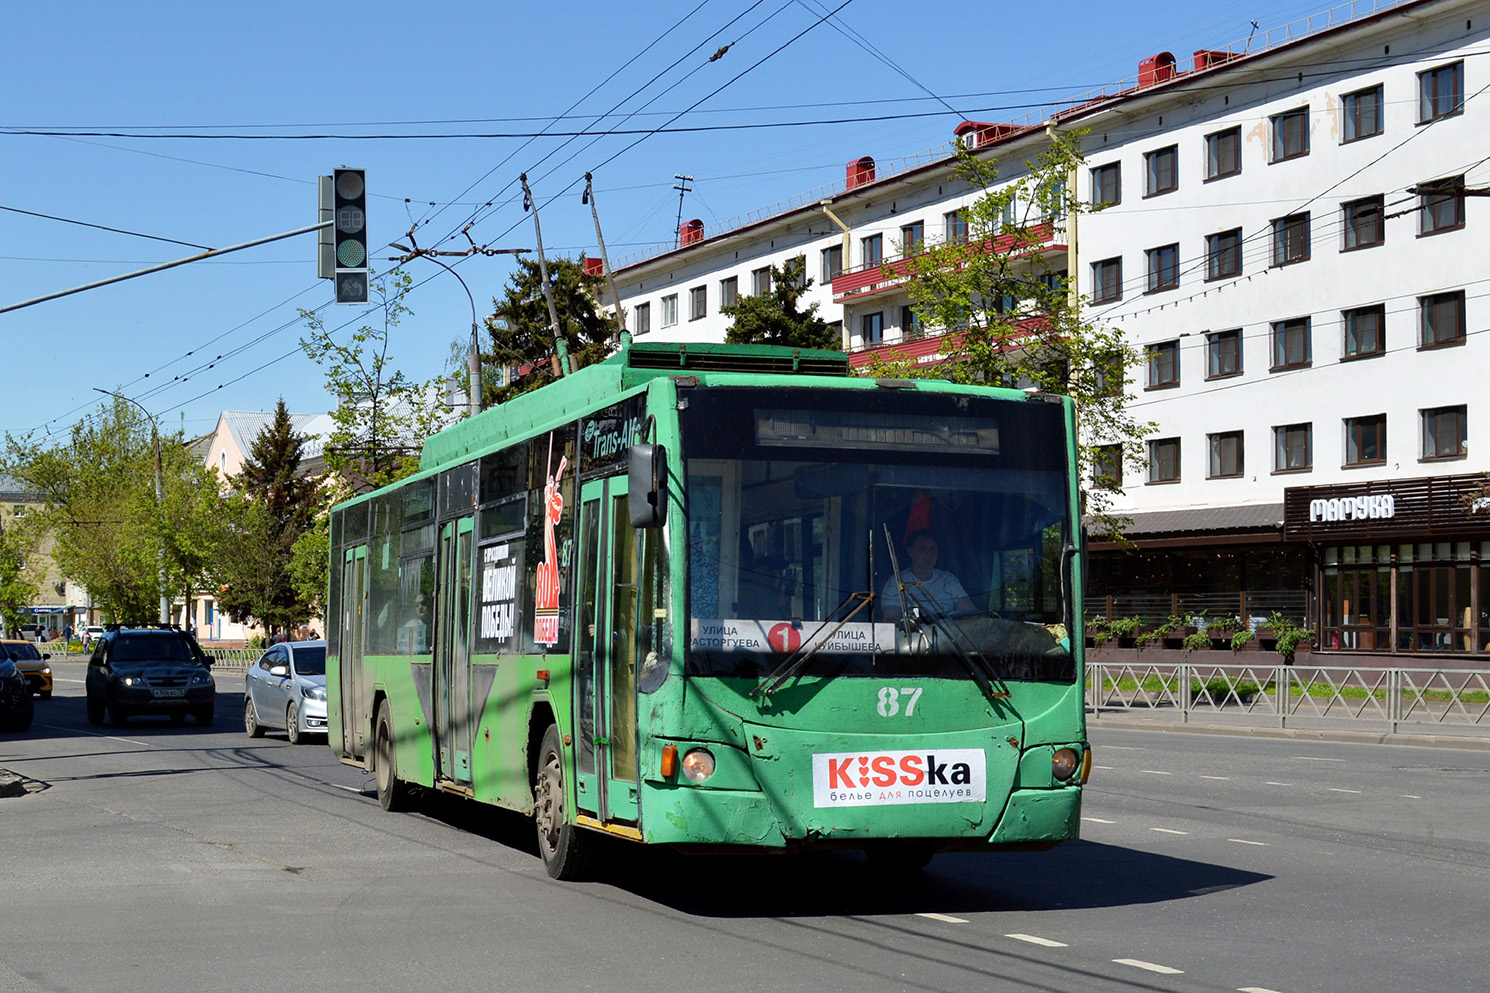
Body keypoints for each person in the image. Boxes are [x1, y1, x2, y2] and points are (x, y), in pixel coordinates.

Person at [880, 530, 973, 621]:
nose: (929, 553)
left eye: (932, 549)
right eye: (922, 549)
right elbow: (892, 622)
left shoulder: (947, 580)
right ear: (910, 551)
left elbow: (970, 615)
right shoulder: (896, 582)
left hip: (950, 635)